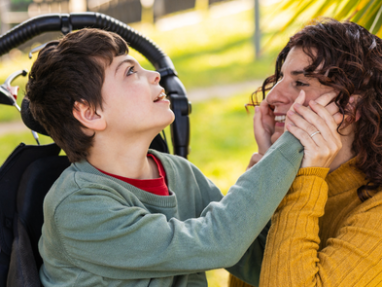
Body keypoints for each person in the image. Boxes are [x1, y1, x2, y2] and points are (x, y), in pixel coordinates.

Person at [26, 28, 339, 287]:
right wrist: (298, 136)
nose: (155, 76)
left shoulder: (179, 174)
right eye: (131, 71)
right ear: (90, 112)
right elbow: (217, 242)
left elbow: (258, 261)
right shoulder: (79, 209)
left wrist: (267, 158)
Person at [229, 18, 382, 287]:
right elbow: (248, 280)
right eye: (279, 79)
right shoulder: (293, 180)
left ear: (350, 108)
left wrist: (305, 178)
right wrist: (270, 173)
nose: (274, 96)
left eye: (300, 83)